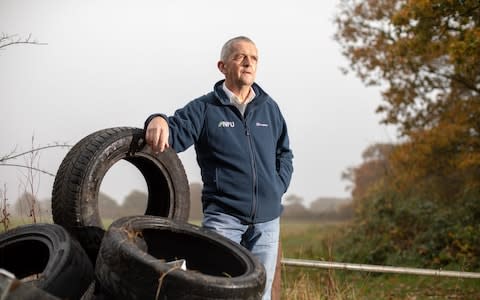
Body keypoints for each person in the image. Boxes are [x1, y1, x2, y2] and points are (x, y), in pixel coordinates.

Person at [144, 36, 293, 299]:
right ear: (222, 66)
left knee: (262, 294)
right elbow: (174, 134)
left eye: (254, 58)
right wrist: (156, 119)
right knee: (215, 292)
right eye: (240, 57)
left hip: (268, 222)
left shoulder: (269, 108)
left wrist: (276, 189)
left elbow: (285, 154)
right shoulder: (204, 108)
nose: (248, 63)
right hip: (224, 220)